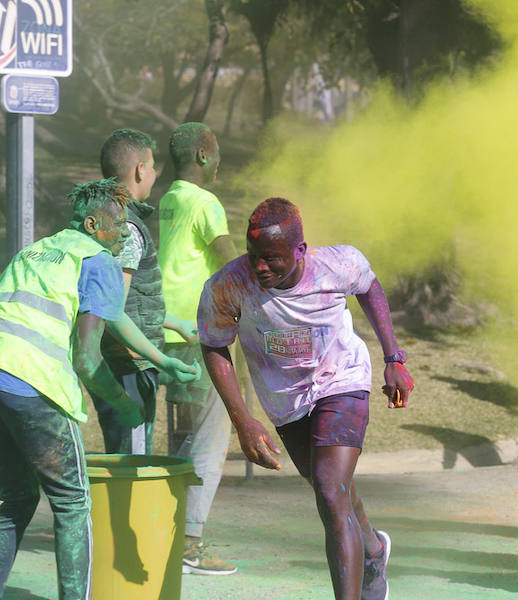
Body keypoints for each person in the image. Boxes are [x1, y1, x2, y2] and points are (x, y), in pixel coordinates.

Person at [0, 179, 199, 600]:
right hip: (30, 381)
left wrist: (163, 359)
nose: (125, 232)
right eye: (118, 224)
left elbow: (114, 315)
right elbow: (87, 360)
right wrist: (123, 403)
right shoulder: (98, 259)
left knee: (15, 498)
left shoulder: (39, 250)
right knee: (72, 503)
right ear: (92, 224)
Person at [197, 198, 415, 600]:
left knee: (331, 489)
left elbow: (370, 288)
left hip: (341, 379)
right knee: (331, 487)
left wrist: (393, 358)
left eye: (271, 258)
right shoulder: (229, 285)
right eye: (253, 255)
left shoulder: (338, 264)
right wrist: (243, 419)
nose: (259, 266)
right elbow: (213, 345)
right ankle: (373, 549)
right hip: (286, 401)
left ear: (300, 251)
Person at [157, 122, 239, 575]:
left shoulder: (169, 199)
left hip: (167, 330)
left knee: (186, 435)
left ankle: (168, 530)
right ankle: (188, 542)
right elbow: (231, 261)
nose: (222, 160)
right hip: (198, 332)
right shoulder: (205, 202)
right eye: (220, 150)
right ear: (204, 155)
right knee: (212, 433)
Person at [89, 129, 199, 456]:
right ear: (139, 170)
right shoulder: (129, 229)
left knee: (124, 456)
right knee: (132, 464)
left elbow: (121, 299)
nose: (153, 175)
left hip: (112, 362)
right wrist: (162, 360)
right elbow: (113, 309)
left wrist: (175, 323)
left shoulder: (100, 215)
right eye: (151, 168)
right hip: (129, 367)